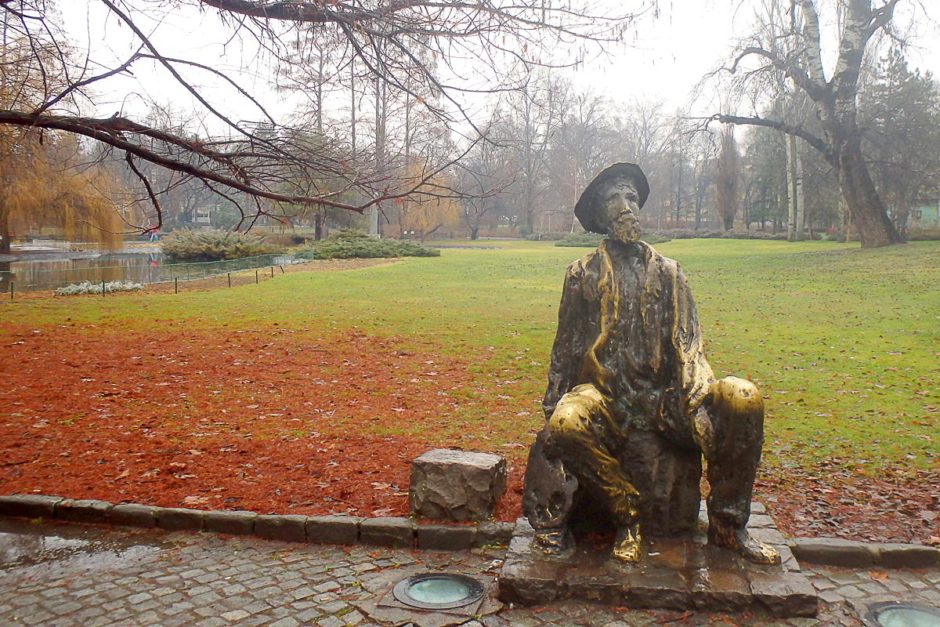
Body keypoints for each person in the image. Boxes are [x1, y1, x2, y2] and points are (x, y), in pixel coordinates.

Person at [522, 163, 780, 565]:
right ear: (599, 215)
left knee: (743, 396)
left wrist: (702, 403)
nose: (626, 207)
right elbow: (565, 351)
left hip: (668, 399)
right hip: (605, 399)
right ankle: (629, 517)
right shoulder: (581, 275)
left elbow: (691, 347)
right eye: (613, 199)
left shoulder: (670, 273)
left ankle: (729, 526)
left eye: (630, 197)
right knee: (566, 422)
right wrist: (554, 418)